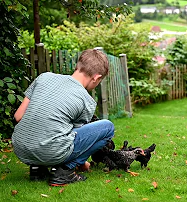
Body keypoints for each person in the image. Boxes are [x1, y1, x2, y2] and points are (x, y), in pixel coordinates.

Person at [12, 49, 114, 186]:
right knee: (108, 127)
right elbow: (76, 139)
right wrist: (82, 163)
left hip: (20, 148)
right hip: (51, 152)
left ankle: (37, 169)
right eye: (99, 81)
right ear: (96, 77)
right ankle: (65, 171)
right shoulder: (86, 100)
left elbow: (18, 116)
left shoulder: (44, 77)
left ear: (78, 66)